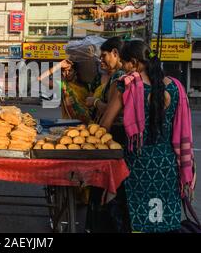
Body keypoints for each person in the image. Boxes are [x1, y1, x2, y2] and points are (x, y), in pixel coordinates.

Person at [100, 40, 195, 232]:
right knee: (164, 223)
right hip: (168, 168)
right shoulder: (175, 87)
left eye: (125, 64)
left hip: (136, 167)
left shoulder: (126, 86)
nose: (124, 70)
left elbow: (104, 125)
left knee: (133, 221)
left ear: (133, 63)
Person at [84, 37, 131, 233]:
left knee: (107, 186)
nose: (102, 61)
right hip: (112, 135)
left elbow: (113, 111)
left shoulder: (120, 78)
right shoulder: (114, 76)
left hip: (113, 136)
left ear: (115, 53)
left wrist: (94, 102)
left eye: (104, 56)